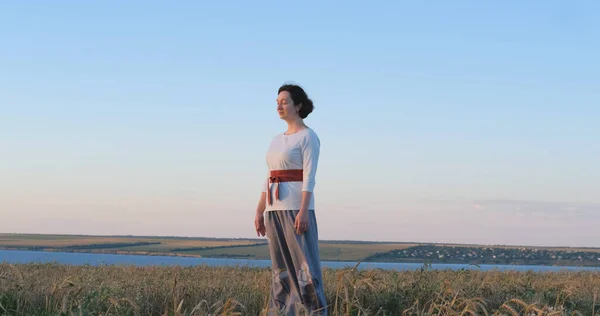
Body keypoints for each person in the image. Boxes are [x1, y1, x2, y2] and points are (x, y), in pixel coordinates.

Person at [254, 83, 328, 315]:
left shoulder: (308, 137)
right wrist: (259, 211)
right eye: (277, 102)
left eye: (284, 101)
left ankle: (313, 311)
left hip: (297, 208)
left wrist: (304, 211)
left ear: (298, 105)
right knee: (281, 268)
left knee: (304, 266)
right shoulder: (276, 140)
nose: (279, 106)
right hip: (274, 210)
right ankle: (283, 311)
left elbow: (309, 177)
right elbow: (268, 176)